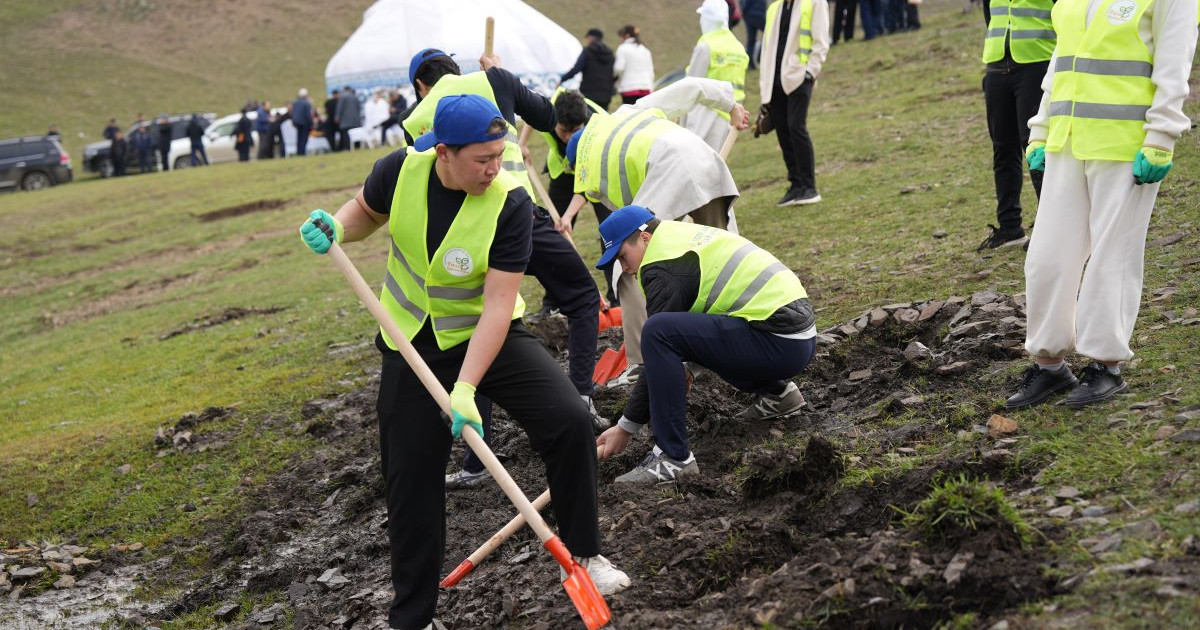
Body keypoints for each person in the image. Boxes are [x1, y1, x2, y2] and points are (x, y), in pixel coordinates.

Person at [297, 94, 630, 630]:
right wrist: (334, 227)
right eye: (483, 159)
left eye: (499, 155)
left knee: (568, 420)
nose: (495, 167)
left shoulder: (510, 203)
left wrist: (468, 387)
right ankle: (415, 618)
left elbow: (499, 305)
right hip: (411, 344)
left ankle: (588, 554)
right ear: (443, 152)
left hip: (488, 337)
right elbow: (363, 213)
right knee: (410, 477)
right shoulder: (399, 172)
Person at [402, 48, 608, 487]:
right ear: (456, 71)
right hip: (521, 215)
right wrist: (502, 79)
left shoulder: (415, 117)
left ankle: (478, 460)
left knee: (477, 324)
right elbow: (549, 112)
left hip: (468, 236)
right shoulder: (494, 81)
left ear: (420, 85)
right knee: (583, 297)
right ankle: (582, 398)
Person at [1005, 0, 1196, 410]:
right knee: (1047, 257)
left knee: (1114, 256)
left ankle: (1105, 365)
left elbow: (1174, 63)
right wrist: (1041, 127)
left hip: (1126, 146)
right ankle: (1050, 364)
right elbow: (1061, 62)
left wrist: (1162, 135)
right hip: (1067, 142)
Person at [592, 206, 816, 482]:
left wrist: (625, 427)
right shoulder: (680, 236)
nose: (624, 268)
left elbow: (658, 347)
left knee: (657, 331)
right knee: (679, 335)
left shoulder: (660, 267)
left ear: (645, 238)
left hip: (777, 341)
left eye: (623, 256)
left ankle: (673, 457)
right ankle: (778, 394)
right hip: (797, 337)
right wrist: (686, 366)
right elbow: (699, 327)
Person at [560, 77, 750, 383]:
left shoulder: (589, 173)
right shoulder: (627, 112)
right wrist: (731, 105)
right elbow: (689, 86)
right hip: (703, 157)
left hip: (667, 169)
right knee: (721, 252)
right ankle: (744, 327)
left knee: (627, 266)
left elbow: (629, 226)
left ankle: (640, 363)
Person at [517, 89, 616, 303]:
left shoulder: (600, 126)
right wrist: (523, 143)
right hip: (563, 171)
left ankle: (616, 297)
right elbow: (530, 116)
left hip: (598, 172)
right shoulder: (547, 109)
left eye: (576, 131)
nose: (570, 137)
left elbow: (588, 186)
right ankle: (553, 300)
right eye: (563, 131)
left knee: (611, 231)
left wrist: (569, 216)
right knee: (553, 234)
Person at [975, 0, 1054, 250]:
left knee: (1036, 149)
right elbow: (990, 14)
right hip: (998, 65)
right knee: (1002, 149)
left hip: (1037, 62)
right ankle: (1010, 228)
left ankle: (1054, 229)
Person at [760, 0, 831, 206]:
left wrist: (810, 72)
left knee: (796, 127)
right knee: (783, 130)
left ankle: (809, 186)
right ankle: (796, 184)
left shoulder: (814, 3)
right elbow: (768, 49)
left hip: (798, 77)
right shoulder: (775, 7)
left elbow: (821, 41)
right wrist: (765, 85)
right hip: (775, 80)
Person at [685, 0, 751, 150]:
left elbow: (690, 85)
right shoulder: (739, 48)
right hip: (730, 115)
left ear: (706, 18)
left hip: (704, 115)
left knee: (697, 163)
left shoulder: (706, 46)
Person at [560, 28, 615, 111]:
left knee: (589, 119)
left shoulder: (588, 51)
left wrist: (562, 79)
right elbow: (615, 71)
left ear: (591, 38)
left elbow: (576, 69)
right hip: (606, 94)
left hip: (590, 93)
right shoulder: (610, 53)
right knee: (603, 120)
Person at [613, 25, 655, 105]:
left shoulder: (623, 48)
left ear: (627, 35)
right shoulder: (645, 49)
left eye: (621, 36)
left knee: (629, 113)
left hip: (629, 88)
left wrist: (614, 79)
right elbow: (651, 71)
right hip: (646, 87)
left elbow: (619, 68)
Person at [336, 86, 362, 151]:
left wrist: (337, 116)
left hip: (345, 121)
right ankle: (357, 147)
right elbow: (359, 108)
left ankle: (348, 148)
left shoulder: (342, 97)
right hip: (355, 121)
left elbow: (340, 108)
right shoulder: (354, 96)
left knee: (346, 135)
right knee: (355, 134)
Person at [742, 0, 768, 68]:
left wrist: (744, 13)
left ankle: (751, 62)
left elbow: (744, 3)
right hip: (759, 15)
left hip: (750, 15)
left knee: (751, 40)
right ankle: (759, 56)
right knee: (768, 33)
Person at [292, 88, 314, 156]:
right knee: (304, 138)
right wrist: (311, 123)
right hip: (305, 123)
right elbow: (308, 115)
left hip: (297, 123)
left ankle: (299, 152)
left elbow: (293, 113)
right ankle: (302, 152)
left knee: (299, 138)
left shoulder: (295, 102)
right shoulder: (307, 103)